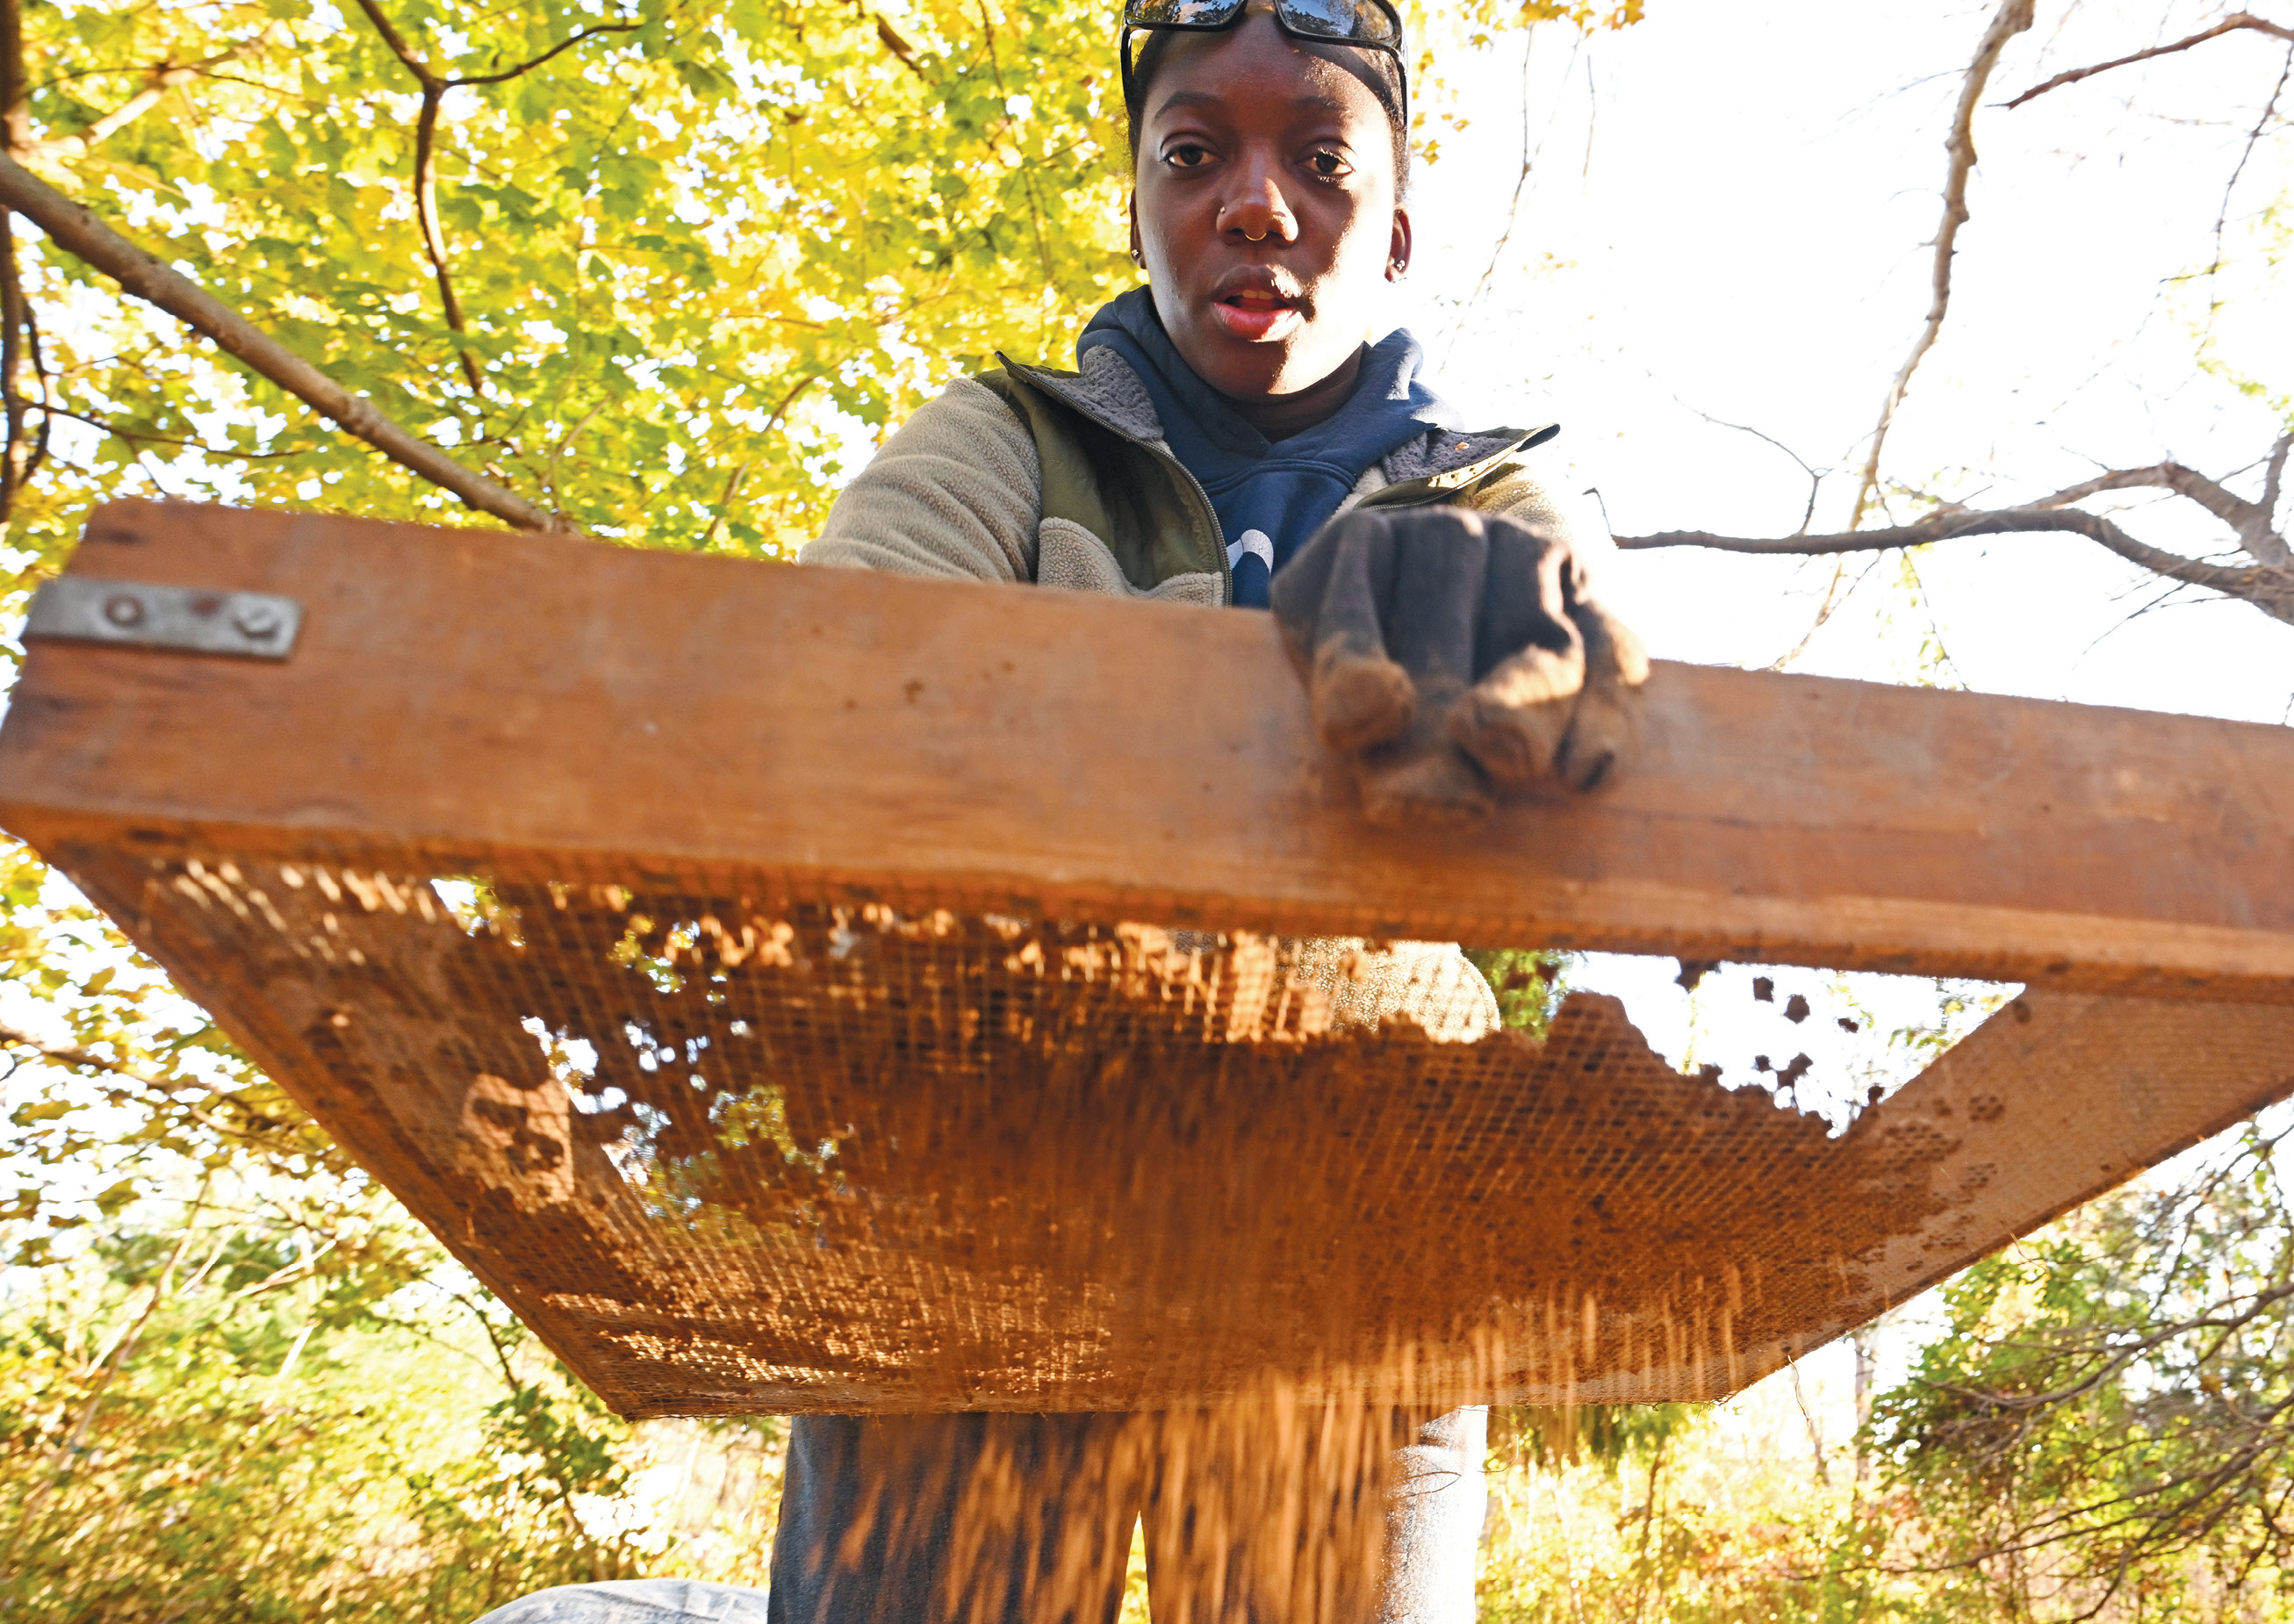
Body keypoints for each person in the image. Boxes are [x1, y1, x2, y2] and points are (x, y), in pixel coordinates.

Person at [474, 4, 1641, 1621]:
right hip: (982, 1184)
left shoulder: (1485, 500)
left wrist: (1500, 620)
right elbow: (830, 701)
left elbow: (1589, 744)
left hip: (1352, 1232)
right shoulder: (1002, 446)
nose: (1253, 202)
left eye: (1319, 157)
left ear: (1395, 234)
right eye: (1193, 153)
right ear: (1142, 207)